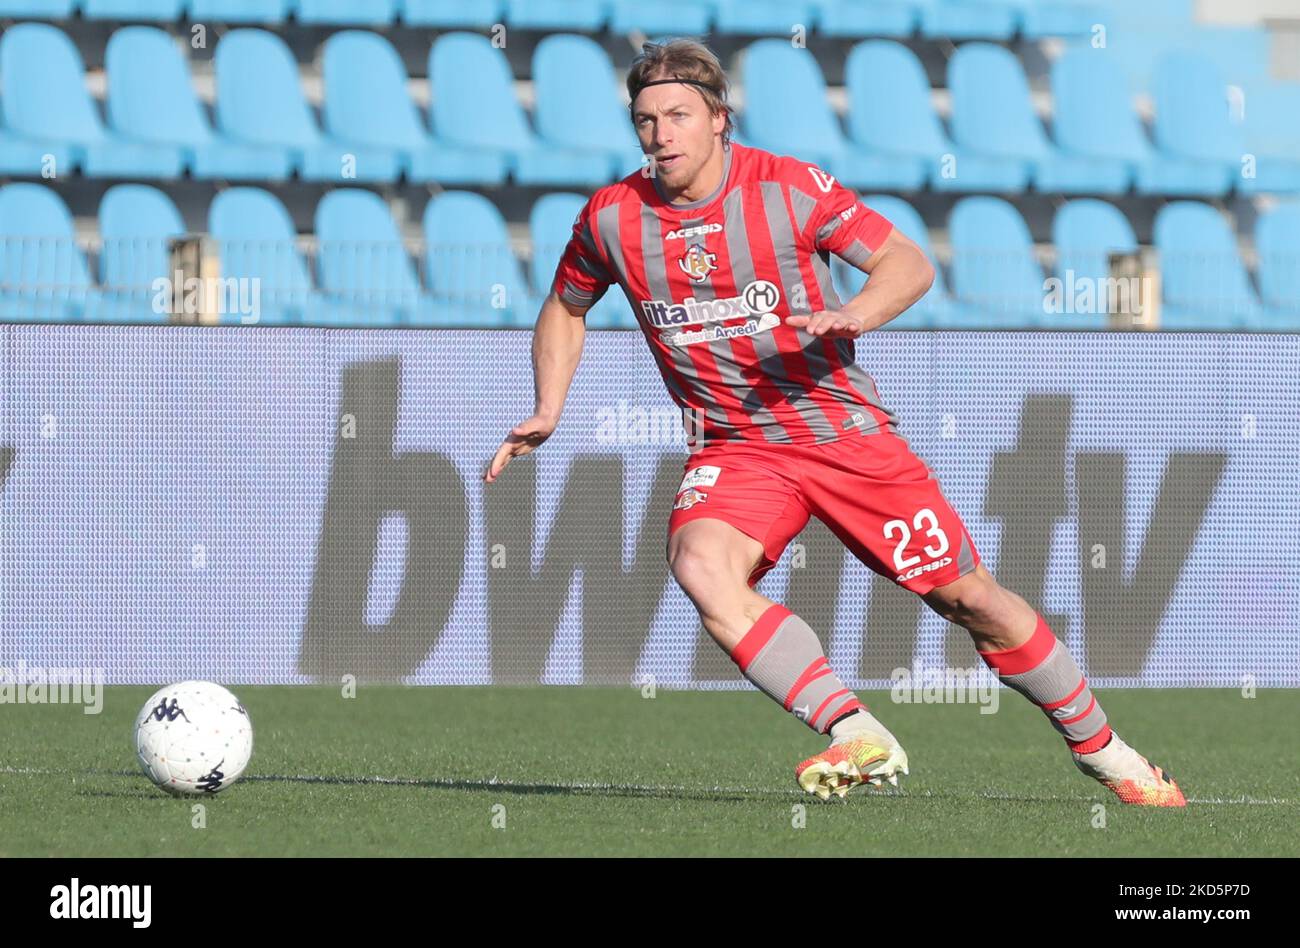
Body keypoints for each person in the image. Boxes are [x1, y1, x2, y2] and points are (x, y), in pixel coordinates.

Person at [485, 38, 1184, 806]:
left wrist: (851, 312)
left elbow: (910, 264)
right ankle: (855, 728)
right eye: (646, 120)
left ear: (721, 119)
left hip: (838, 432)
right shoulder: (613, 217)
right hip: (738, 446)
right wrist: (549, 404)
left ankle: (1105, 753)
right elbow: (566, 303)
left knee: (969, 599)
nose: (661, 135)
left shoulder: (788, 189)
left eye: (679, 115)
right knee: (699, 564)